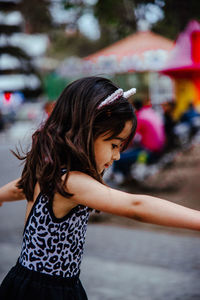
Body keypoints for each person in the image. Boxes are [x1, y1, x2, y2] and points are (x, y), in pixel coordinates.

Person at [0, 76, 200, 300]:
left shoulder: (46, 172)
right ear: (85, 131)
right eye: (114, 145)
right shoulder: (71, 182)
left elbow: (17, 188)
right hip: (48, 292)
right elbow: (136, 205)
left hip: (24, 283)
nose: (117, 155)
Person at [113, 98, 166, 179]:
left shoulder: (140, 117)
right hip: (159, 149)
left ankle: (124, 179)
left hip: (148, 153)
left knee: (120, 159)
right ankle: (129, 178)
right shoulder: (149, 112)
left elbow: (130, 137)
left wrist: (120, 148)